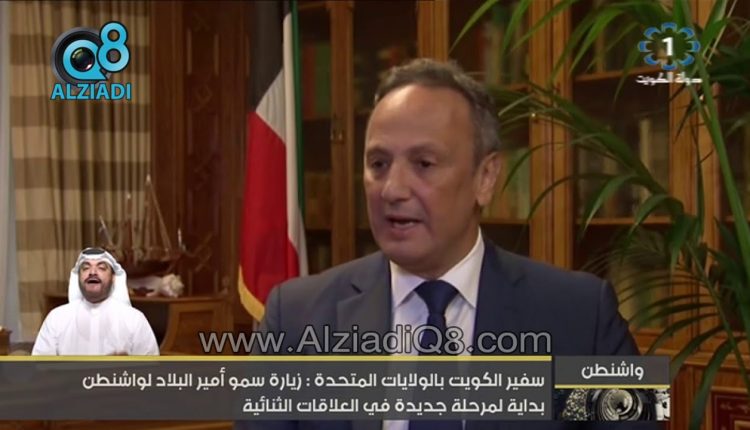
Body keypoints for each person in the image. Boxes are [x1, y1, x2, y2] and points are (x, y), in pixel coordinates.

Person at [237, 59, 661, 429]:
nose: (392, 189)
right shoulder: (294, 319)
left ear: (486, 178)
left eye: (424, 163)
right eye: (378, 164)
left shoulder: (583, 317)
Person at [32, 247, 159, 355]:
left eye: (101, 268)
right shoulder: (56, 318)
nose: (92, 272)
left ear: (113, 278)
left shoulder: (134, 319)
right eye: (86, 268)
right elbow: (39, 368)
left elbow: (151, 369)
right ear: (78, 277)